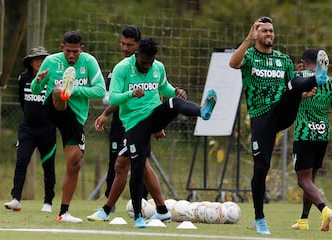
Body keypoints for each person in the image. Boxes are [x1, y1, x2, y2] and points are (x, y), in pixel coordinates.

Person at [229, 16, 329, 235]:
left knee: (293, 84)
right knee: (261, 167)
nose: (268, 34)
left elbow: (290, 89)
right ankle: (259, 218)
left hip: (282, 112)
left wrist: (302, 94)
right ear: (256, 34)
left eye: (271, 31)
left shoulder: (283, 60)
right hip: (261, 117)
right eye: (264, 31)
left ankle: (318, 78)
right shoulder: (250, 56)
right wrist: (247, 38)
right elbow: (233, 63)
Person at [109, 37, 217, 228]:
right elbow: (114, 98)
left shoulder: (157, 67)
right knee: (138, 166)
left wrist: (175, 90)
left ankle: (203, 111)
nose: (147, 67)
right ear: (137, 55)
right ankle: (139, 218)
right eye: (143, 63)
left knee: (174, 102)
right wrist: (130, 94)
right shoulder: (123, 69)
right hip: (134, 124)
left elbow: (163, 86)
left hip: (153, 115)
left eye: (150, 63)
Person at [86, 25, 170, 222]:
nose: (124, 48)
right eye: (122, 43)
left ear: (138, 47)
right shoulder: (123, 67)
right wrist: (106, 113)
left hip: (138, 124)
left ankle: (108, 209)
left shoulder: (148, 66)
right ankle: (162, 209)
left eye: (129, 45)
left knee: (124, 165)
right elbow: (122, 95)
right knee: (130, 164)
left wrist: (157, 126)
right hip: (125, 122)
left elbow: (155, 93)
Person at [31, 31, 106, 223]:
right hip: (54, 107)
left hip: (75, 119)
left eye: (75, 52)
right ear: (62, 47)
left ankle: (63, 212)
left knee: (75, 162)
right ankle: (62, 91)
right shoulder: (50, 61)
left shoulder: (89, 62)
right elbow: (35, 89)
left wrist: (74, 89)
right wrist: (39, 81)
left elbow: (100, 89)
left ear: (82, 49)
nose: (71, 55)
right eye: (68, 52)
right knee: (57, 91)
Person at [291, 48, 332, 231]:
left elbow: (288, 93)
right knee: (310, 180)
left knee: (302, 180)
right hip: (322, 135)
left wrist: (295, 72)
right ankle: (303, 220)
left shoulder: (299, 77)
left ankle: (324, 210)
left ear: (303, 61)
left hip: (304, 134)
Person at [5, 46, 56, 213]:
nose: (40, 62)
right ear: (31, 62)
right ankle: (16, 199)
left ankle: (48, 202)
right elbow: (22, 101)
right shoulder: (23, 78)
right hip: (27, 129)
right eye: (36, 59)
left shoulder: (53, 78)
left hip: (47, 129)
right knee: (21, 161)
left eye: (43, 59)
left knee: (48, 166)